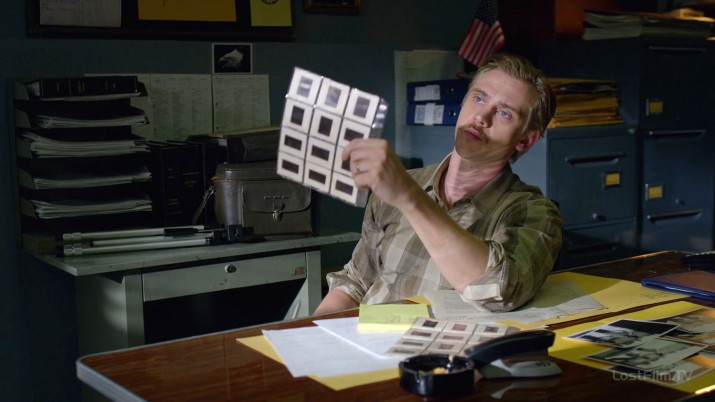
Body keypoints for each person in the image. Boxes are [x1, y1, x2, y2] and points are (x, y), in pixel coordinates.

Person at [314, 51, 563, 315]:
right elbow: (356, 282)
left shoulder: (533, 213)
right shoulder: (402, 184)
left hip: (435, 341)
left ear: (525, 140)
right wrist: (307, 331)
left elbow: (499, 290)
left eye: (504, 113)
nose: (481, 117)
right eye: (479, 98)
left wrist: (409, 198)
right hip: (363, 334)